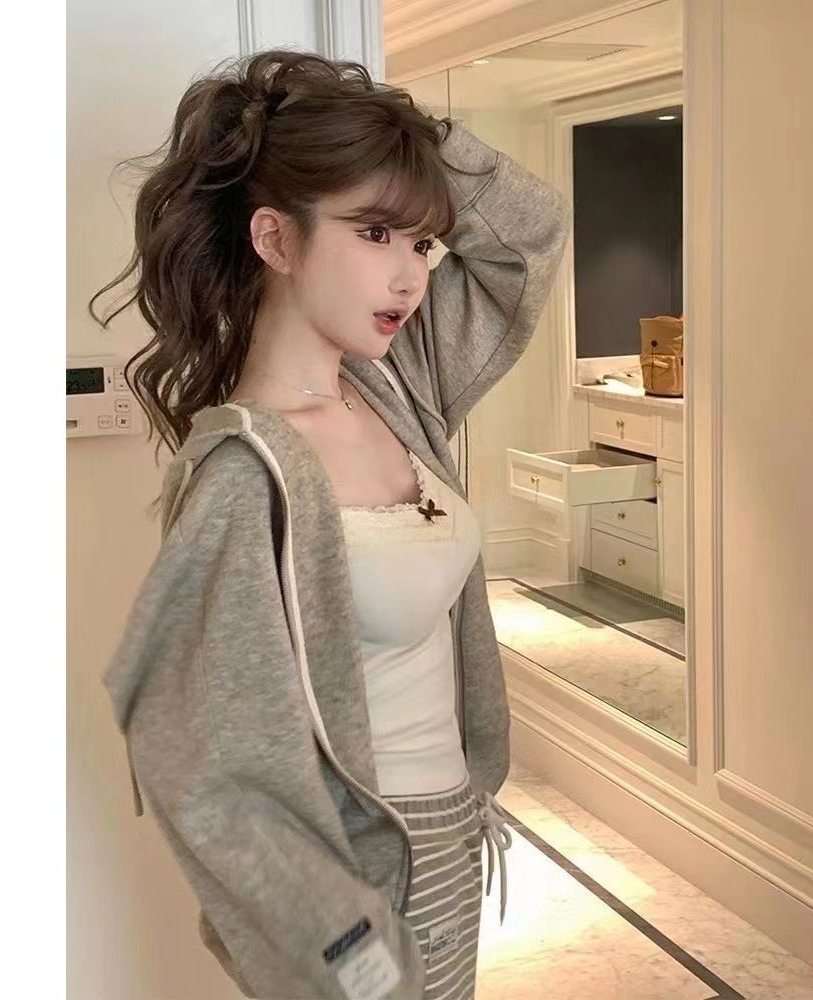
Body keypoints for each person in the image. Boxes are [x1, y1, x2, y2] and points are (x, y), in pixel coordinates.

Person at [92, 48, 570, 1000]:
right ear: (275, 237)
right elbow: (201, 767)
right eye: (375, 232)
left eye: (422, 243)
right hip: (365, 875)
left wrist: (399, 134)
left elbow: (531, 236)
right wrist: (354, 958)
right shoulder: (246, 475)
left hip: (451, 839)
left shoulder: (398, 389)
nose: (411, 276)